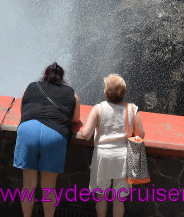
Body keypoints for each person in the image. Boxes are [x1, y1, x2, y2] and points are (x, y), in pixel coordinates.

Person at [14, 63, 81, 217]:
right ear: (61, 77)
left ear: (45, 75)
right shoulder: (71, 93)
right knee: (48, 188)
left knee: (28, 185)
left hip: (28, 130)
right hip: (54, 135)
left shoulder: (30, 87)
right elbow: (76, 118)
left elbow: (23, 110)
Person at [76, 74, 145, 217]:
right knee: (119, 200)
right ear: (124, 92)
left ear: (106, 92)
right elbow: (141, 134)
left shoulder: (98, 108)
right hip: (123, 158)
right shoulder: (132, 109)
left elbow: (86, 134)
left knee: (101, 197)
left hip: (103, 158)